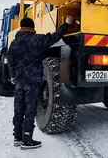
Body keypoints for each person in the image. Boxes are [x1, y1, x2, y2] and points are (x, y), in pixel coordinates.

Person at [7, 15, 73, 149]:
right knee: (30, 110)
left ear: (21, 27)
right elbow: (55, 36)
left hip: (19, 81)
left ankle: (17, 137)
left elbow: (11, 61)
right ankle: (27, 139)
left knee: (19, 109)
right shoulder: (37, 40)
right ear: (32, 27)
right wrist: (66, 24)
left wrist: (13, 76)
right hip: (32, 82)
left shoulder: (14, 43)